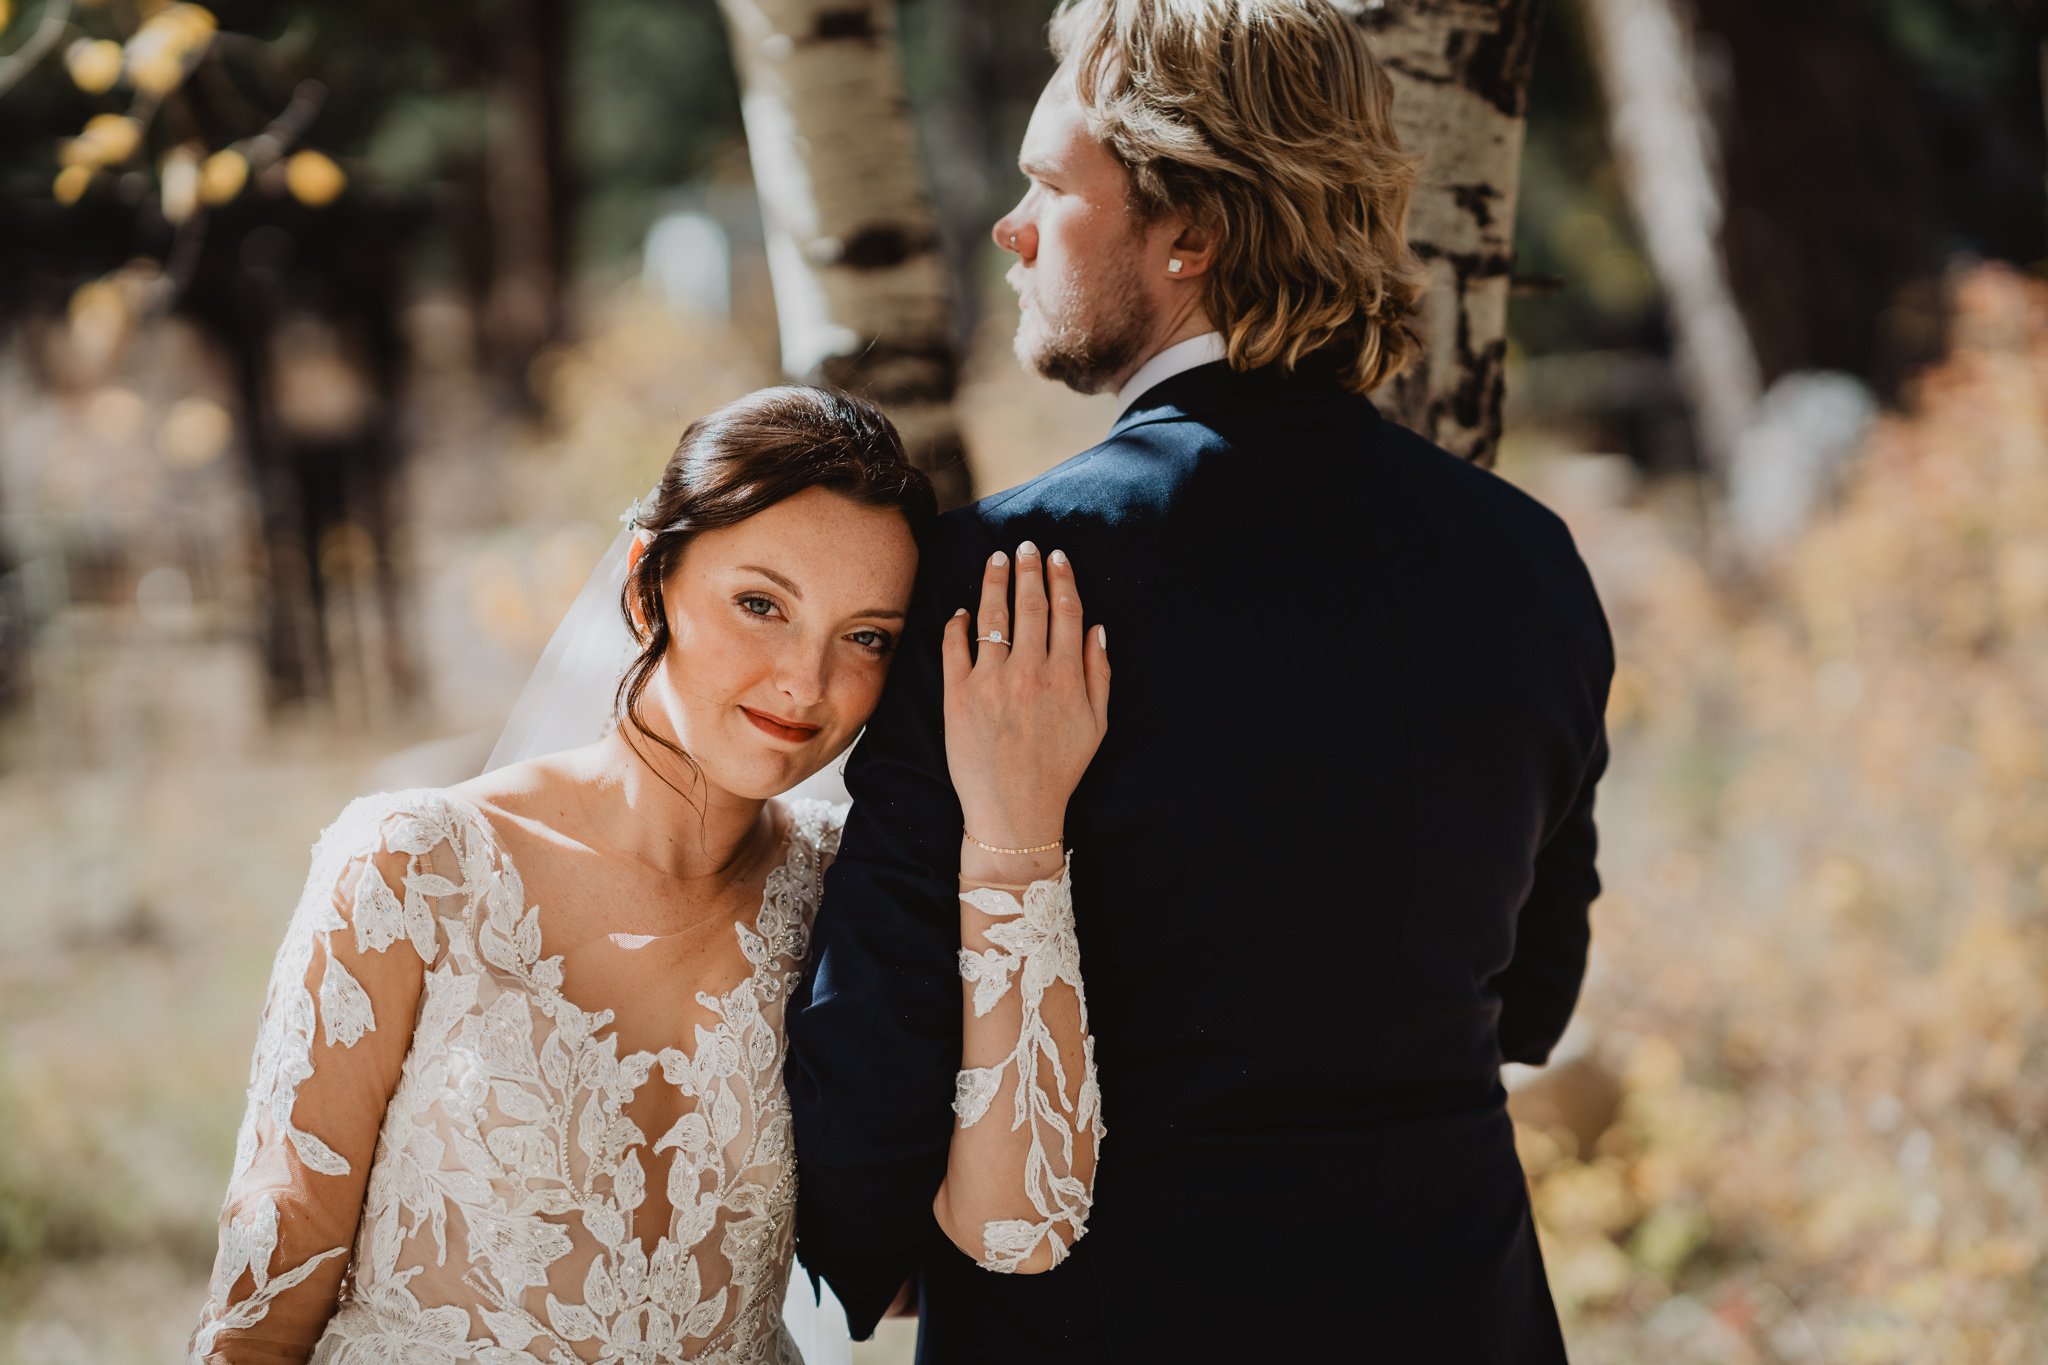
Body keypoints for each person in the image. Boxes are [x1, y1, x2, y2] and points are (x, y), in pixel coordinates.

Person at [786, 1, 1614, 1360]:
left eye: (1050, 185)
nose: (1012, 224)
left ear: (1193, 231)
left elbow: (877, 1031)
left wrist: (846, 1259)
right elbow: (1534, 999)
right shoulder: (1530, 563)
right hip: (1454, 1307)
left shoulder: (1005, 578)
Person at [187, 385, 1111, 1362]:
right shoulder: (416, 869)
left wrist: (1019, 835)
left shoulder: (852, 893)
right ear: (645, 587)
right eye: (760, 605)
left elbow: (1012, 1230)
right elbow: (264, 1297)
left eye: (865, 636)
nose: (806, 681)